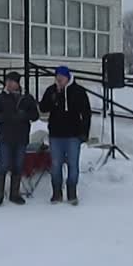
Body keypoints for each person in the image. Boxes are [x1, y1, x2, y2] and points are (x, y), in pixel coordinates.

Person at [39, 66, 91, 206]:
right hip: (56, 134)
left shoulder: (78, 91)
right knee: (56, 165)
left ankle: (72, 192)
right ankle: (56, 192)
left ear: (68, 77)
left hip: (73, 135)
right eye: (57, 77)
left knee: (73, 165)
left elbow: (86, 113)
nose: (59, 80)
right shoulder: (51, 90)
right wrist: (53, 97)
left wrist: (84, 133)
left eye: (61, 77)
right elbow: (43, 108)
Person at [0, 72, 39, 206]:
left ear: (18, 83)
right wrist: (6, 117)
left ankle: (14, 194)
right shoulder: (0, 98)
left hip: (21, 137)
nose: (9, 84)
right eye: (7, 81)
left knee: (18, 165)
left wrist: (25, 115)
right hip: (5, 137)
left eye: (12, 81)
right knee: (3, 165)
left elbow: (35, 115)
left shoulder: (27, 98)